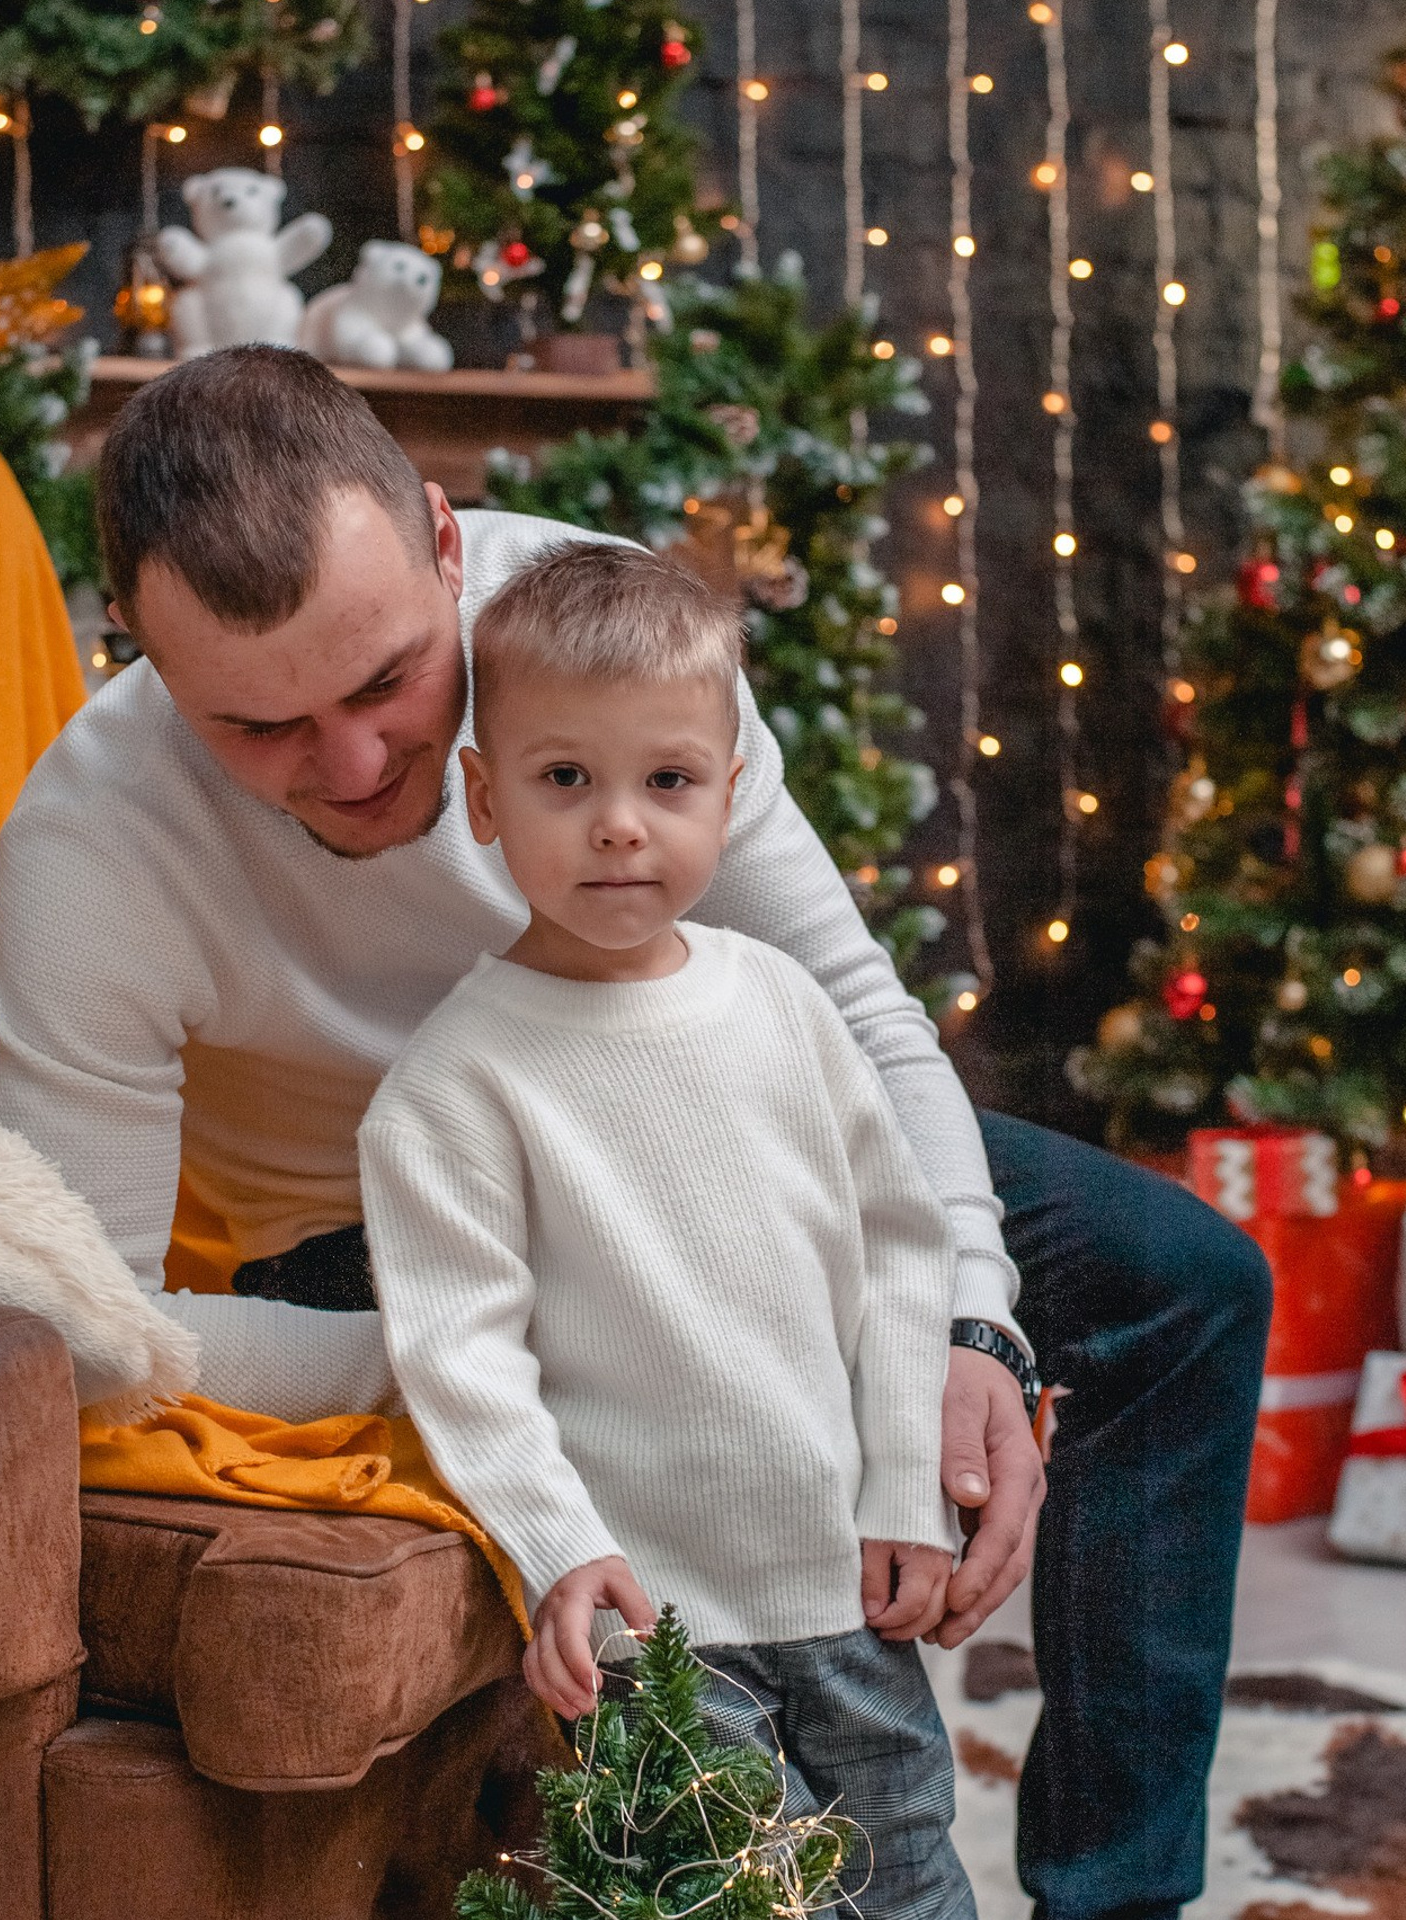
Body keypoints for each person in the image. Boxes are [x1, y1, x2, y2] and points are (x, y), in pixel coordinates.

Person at [0, 346, 1271, 1920]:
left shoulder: (602, 634)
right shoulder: (90, 845)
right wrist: (483, 1355)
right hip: (385, 1237)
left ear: (449, 549)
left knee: (1184, 1283)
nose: (358, 768)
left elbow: (856, 1015)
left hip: (714, 1116)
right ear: (145, 659)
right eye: (262, 730)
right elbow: (86, 1326)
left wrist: (972, 1327)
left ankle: (1118, 1899)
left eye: (387, 681)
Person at [358, 540, 974, 1917]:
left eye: (668, 782)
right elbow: (463, 1352)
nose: (621, 824)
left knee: (913, 1869)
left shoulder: (784, 1008)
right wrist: (553, 1543)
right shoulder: (456, 1084)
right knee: (735, 1898)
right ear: (482, 797)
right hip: (656, 1627)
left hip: (837, 1576)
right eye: (566, 780)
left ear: (730, 792)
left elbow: (896, 1248)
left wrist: (900, 1485)